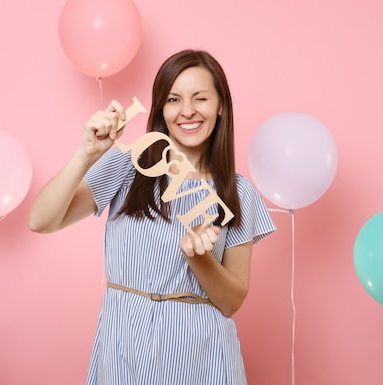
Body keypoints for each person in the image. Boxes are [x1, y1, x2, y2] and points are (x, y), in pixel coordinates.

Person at [29, 49, 276, 385]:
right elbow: (42, 220)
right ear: (161, 107)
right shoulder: (128, 166)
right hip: (125, 342)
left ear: (220, 107)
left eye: (200, 98)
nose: (187, 111)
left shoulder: (239, 192)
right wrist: (86, 155)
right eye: (174, 99)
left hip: (202, 352)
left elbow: (232, 301)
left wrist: (199, 257)